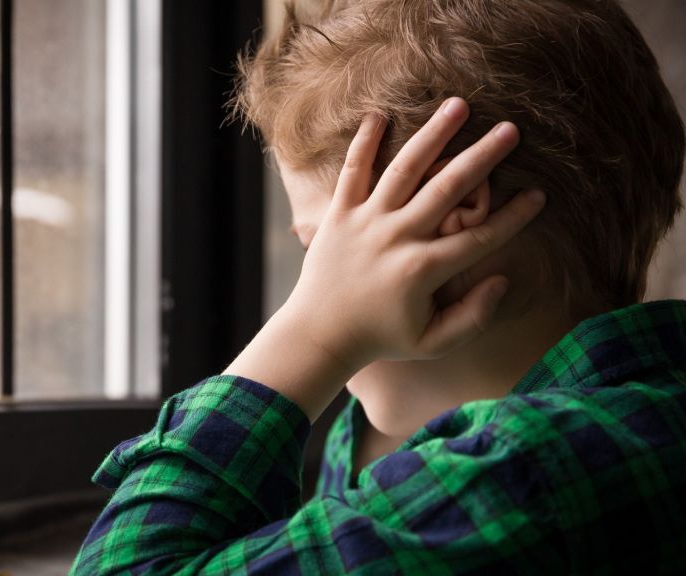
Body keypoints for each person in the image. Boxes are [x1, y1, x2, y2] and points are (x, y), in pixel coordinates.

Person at [71, 0, 686, 573]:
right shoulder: (381, 435)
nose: (316, 289)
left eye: (324, 251)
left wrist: (312, 335)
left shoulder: (527, 469)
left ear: (449, 213)